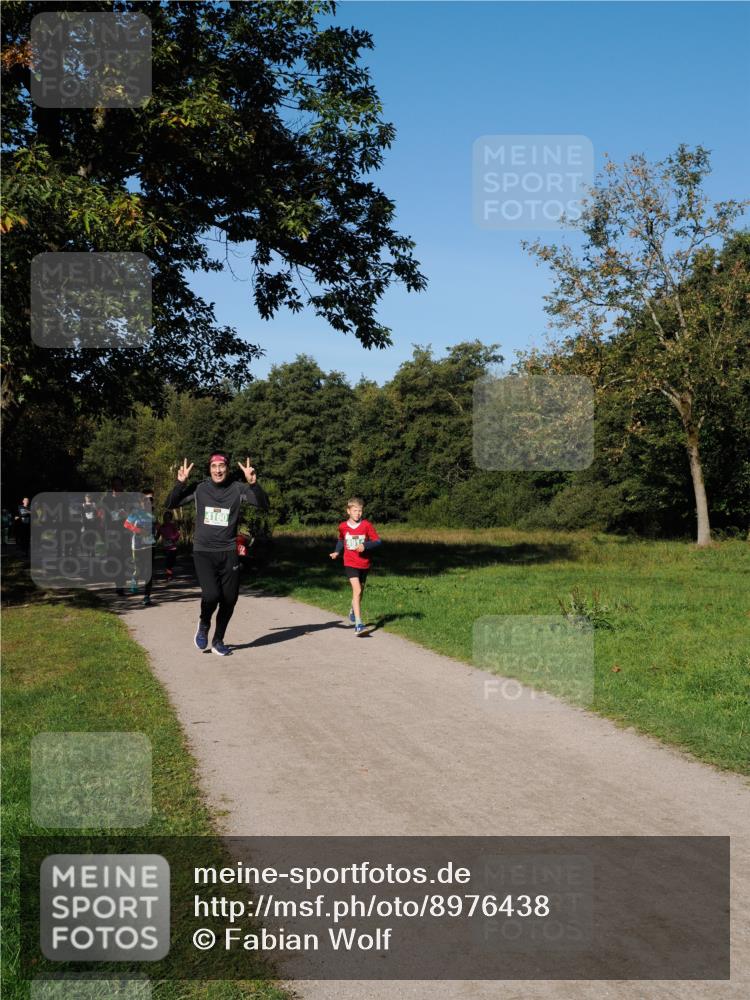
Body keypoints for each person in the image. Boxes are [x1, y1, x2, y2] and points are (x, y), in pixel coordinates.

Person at [165, 453, 269, 656]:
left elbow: (264, 504)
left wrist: (254, 484)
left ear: (227, 469)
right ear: (209, 469)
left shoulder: (238, 488)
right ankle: (204, 623)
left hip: (228, 551)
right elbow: (170, 504)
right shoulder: (200, 489)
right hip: (203, 551)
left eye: (222, 466)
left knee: (230, 598)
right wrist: (179, 483)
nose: (218, 470)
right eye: (214, 466)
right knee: (211, 595)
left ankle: (218, 640)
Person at [329, 497, 381, 635]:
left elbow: (377, 541)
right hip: (350, 562)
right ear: (348, 511)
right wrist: (336, 551)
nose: (358, 513)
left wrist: (365, 545)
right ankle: (359, 624)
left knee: (360, 592)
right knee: (357, 590)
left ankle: (353, 608)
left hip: (364, 563)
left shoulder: (366, 525)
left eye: (360, 511)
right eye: (355, 510)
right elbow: (341, 539)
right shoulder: (343, 526)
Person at [124, 489, 157, 606]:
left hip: (150, 545)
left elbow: (154, 527)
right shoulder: (135, 513)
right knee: (139, 569)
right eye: (145, 499)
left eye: (151, 499)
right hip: (137, 547)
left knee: (149, 572)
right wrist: (138, 530)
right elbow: (126, 524)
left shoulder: (153, 513)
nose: (148, 501)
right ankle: (134, 579)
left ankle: (146, 596)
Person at [99, 477, 129, 595]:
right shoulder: (106, 499)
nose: (117, 487)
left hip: (125, 531)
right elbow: (103, 516)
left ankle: (120, 580)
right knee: (115, 557)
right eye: (115, 485)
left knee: (124, 557)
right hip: (111, 532)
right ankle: (119, 584)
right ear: (112, 486)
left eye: (119, 485)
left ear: (122, 486)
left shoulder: (127, 498)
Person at [157, 510, 180, 583]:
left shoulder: (172, 525)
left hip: (173, 547)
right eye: (165, 517)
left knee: (172, 562)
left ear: (170, 518)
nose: (166, 518)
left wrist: (172, 538)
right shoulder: (162, 526)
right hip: (166, 548)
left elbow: (178, 534)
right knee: (168, 562)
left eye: (168, 517)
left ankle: (169, 574)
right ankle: (169, 576)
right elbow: (157, 535)